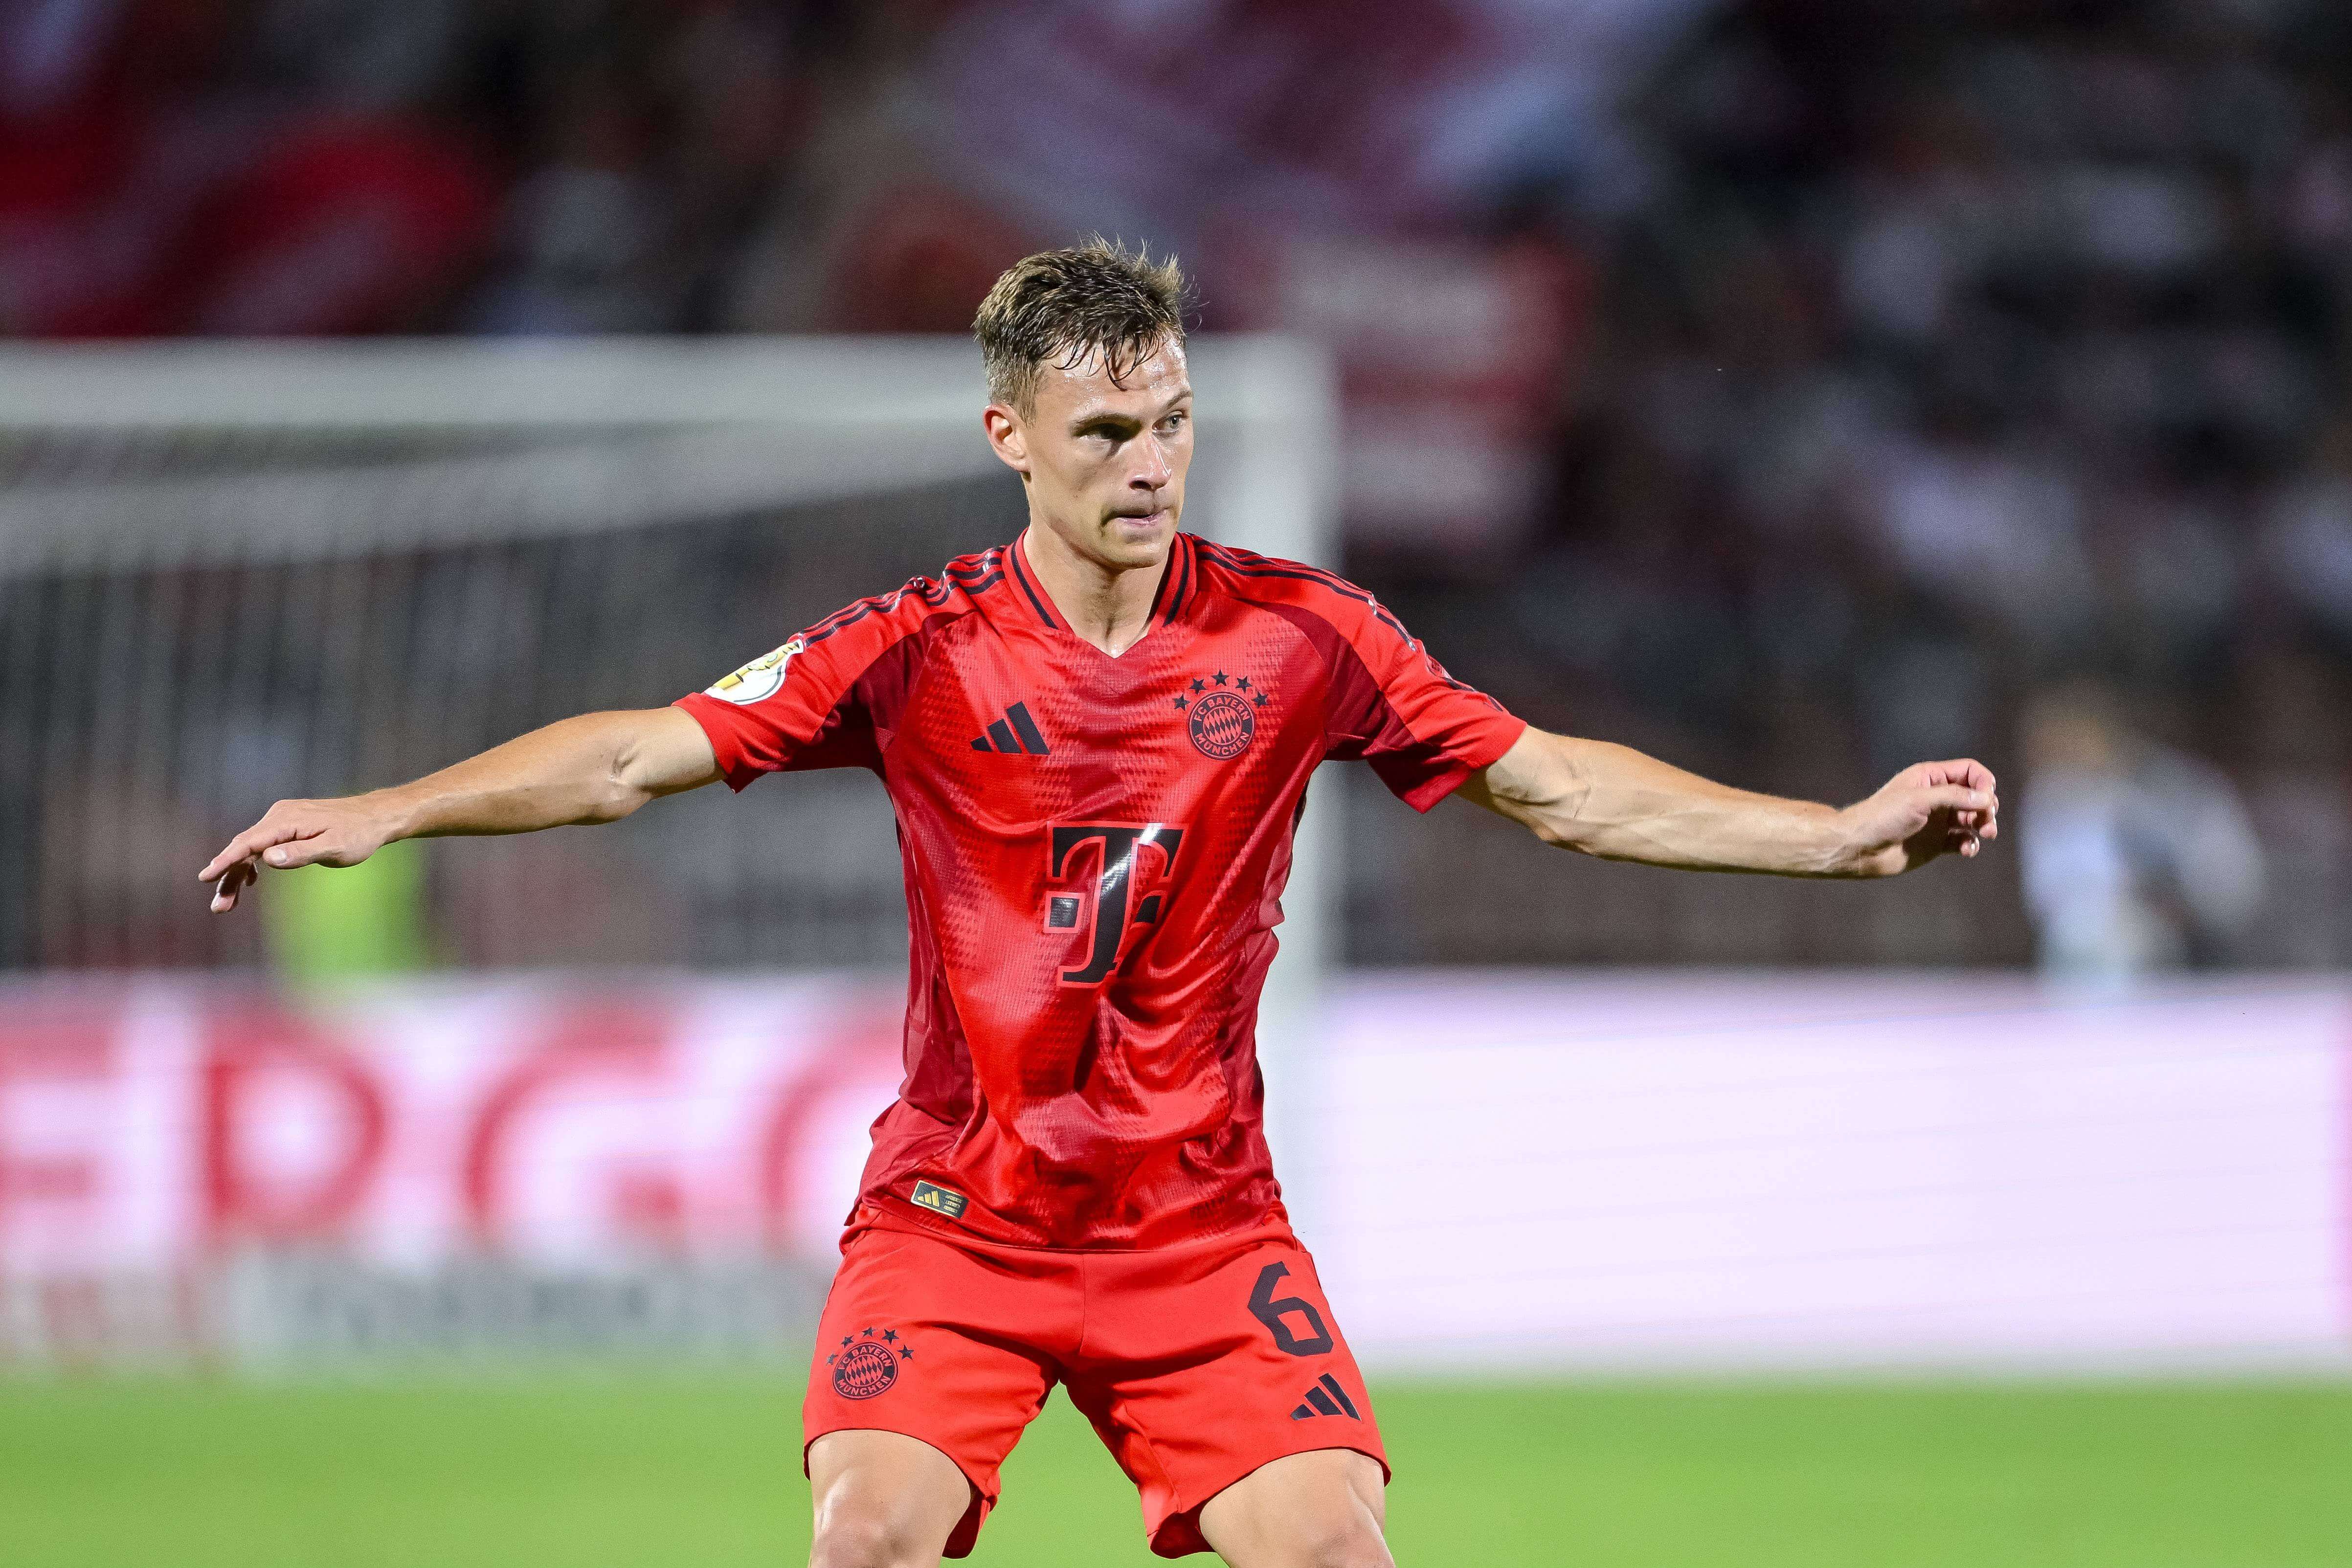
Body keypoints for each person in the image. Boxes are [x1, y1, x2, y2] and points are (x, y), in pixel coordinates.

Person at [199, 241, 1999, 1568]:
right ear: (1010, 432)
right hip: (955, 1225)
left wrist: (1836, 839)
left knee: (1335, 1553)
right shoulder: (912, 649)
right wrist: (393, 809)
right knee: (867, 1542)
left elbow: (1562, 791)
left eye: (1176, 423)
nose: (1152, 463)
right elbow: (624, 758)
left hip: (1199, 1237)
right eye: (1110, 429)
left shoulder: (1304, 637)